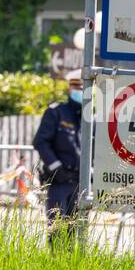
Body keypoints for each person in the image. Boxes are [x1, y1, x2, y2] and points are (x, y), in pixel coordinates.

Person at [33, 69, 84, 231]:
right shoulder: (56, 113)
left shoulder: (89, 118)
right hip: (59, 181)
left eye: (83, 89)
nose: (80, 92)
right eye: (77, 88)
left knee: (75, 232)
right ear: (70, 88)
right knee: (55, 230)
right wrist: (56, 167)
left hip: (80, 182)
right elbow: (41, 142)